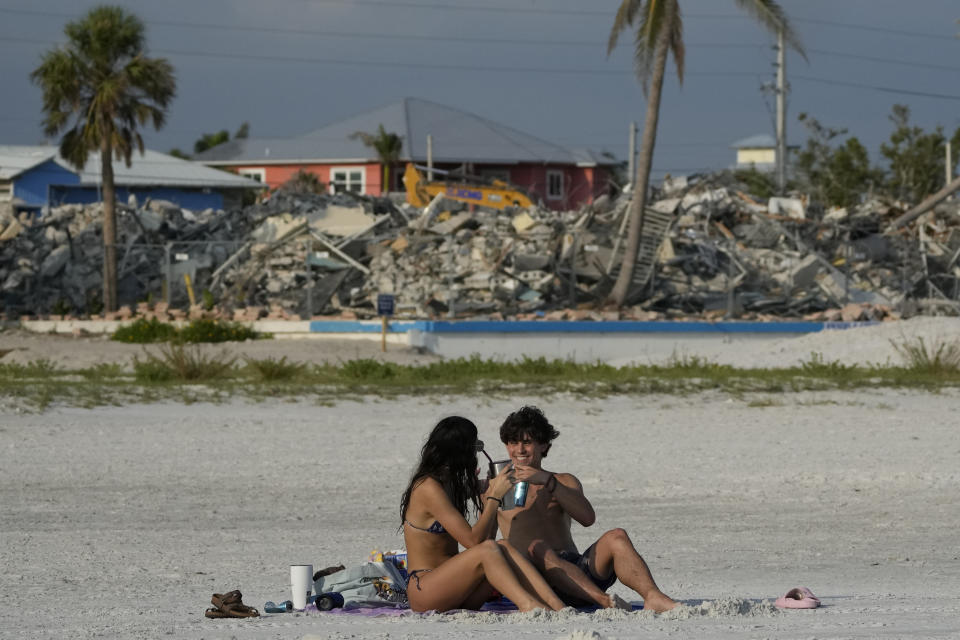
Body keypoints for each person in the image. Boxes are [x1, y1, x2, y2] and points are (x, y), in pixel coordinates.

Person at [496, 406, 677, 612]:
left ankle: (653, 595)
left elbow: (587, 518)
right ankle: (604, 600)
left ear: (544, 445)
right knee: (537, 547)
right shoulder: (496, 487)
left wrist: (547, 481)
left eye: (527, 442)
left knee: (617, 536)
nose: (519, 450)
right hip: (535, 579)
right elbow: (481, 541)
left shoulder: (562, 480)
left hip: (576, 573)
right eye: (513, 443)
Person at [399, 415, 566, 612]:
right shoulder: (428, 487)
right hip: (426, 590)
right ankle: (529, 605)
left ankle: (557, 606)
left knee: (502, 546)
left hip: (459, 590)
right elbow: (472, 542)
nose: (476, 453)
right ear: (460, 451)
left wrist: (490, 498)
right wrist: (494, 497)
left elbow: (486, 538)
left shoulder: (449, 483)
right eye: (474, 447)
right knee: (489, 550)